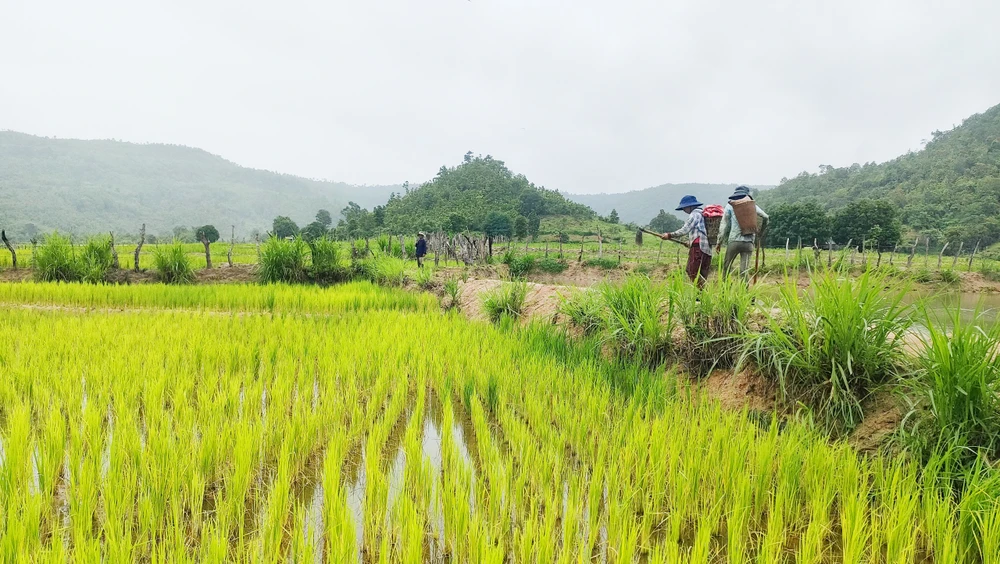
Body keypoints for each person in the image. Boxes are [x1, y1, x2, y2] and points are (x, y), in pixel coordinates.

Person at [661, 195, 712, 288]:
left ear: (690, 206)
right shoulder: (702, 214)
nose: (684, 210)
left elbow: (685, 229)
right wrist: (690, 242)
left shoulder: (694, 214)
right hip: (706, 248)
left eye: (684, 207)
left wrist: (670, 235)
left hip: (698, 247)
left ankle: (704, 292)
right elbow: (700, 231)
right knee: (702, 273)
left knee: (692, 271)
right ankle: (700, 297)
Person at [717, 186, 769, 279]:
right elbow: (765, 217)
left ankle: (725, 291)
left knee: (727, 267)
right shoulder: (752, 205)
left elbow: (723, 224)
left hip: (734, 241)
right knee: (744, 270)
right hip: (749, 243)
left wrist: (719, 241)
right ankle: (744, 291)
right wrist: (761, 232)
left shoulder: (730, 206)